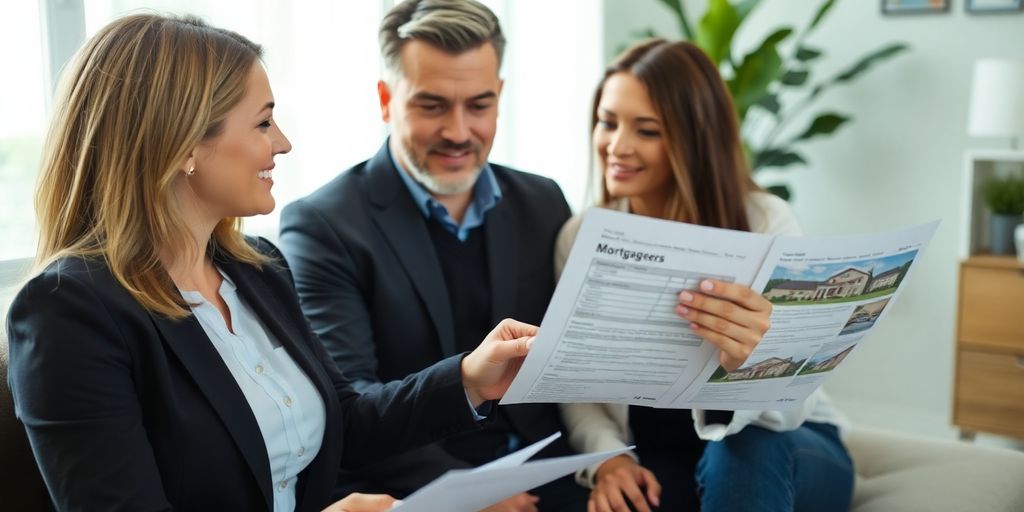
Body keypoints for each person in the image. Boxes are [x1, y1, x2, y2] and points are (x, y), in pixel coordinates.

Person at [5, 14, 536, 512]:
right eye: (263, 123)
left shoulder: (257, 268)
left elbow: (344, 422)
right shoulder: (66, 312)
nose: (281, 144)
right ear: (184, 143)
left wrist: (469, 378)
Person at [277, 1, 588, 510]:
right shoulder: (323, 224)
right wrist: (470, 491)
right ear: (385, 100)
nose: (459, 132)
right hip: (413, 484)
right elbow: (348, 404)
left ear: (500, 96)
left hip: (548, 468)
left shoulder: (542, 201)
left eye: (479, 105)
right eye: (432, 106)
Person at [557, 39, 854, 512]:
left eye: (647, 130)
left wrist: (749, 365)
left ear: (693, 139)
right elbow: (572, 379)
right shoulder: (581, 235)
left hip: (786, 443)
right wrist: (608, 461)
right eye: (607, 122)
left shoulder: (765, 222)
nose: (617, 146)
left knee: (741, 453)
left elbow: (792, 406)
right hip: (660, 455)